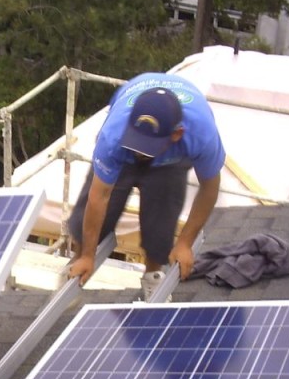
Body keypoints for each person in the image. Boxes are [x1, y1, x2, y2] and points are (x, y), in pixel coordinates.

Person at [68, 72, 225, 298]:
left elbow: (210, 188)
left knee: (160, 224)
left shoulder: (201, 133)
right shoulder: (114, 135)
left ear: (176, 134)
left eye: (147, 146)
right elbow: (99, 196)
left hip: (170, 162)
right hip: (123, 153)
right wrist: (88, 255)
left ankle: (153, 277)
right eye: (138, 142)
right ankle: (77, 265)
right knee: (92, 220)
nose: (141, 151)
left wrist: (184, 243)